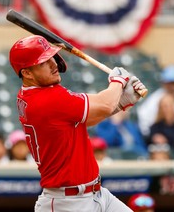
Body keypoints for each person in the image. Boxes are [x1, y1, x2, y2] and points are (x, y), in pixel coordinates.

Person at [9, 35, 147, 212]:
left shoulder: (37, 93)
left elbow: (84, 119)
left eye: (51, 57)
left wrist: (121, 102)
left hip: (96, 194)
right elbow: (104, 105)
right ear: (27, 73)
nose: (53, 65)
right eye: (43, 62)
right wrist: (118, 81)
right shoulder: (46, 99)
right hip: (67, 203)